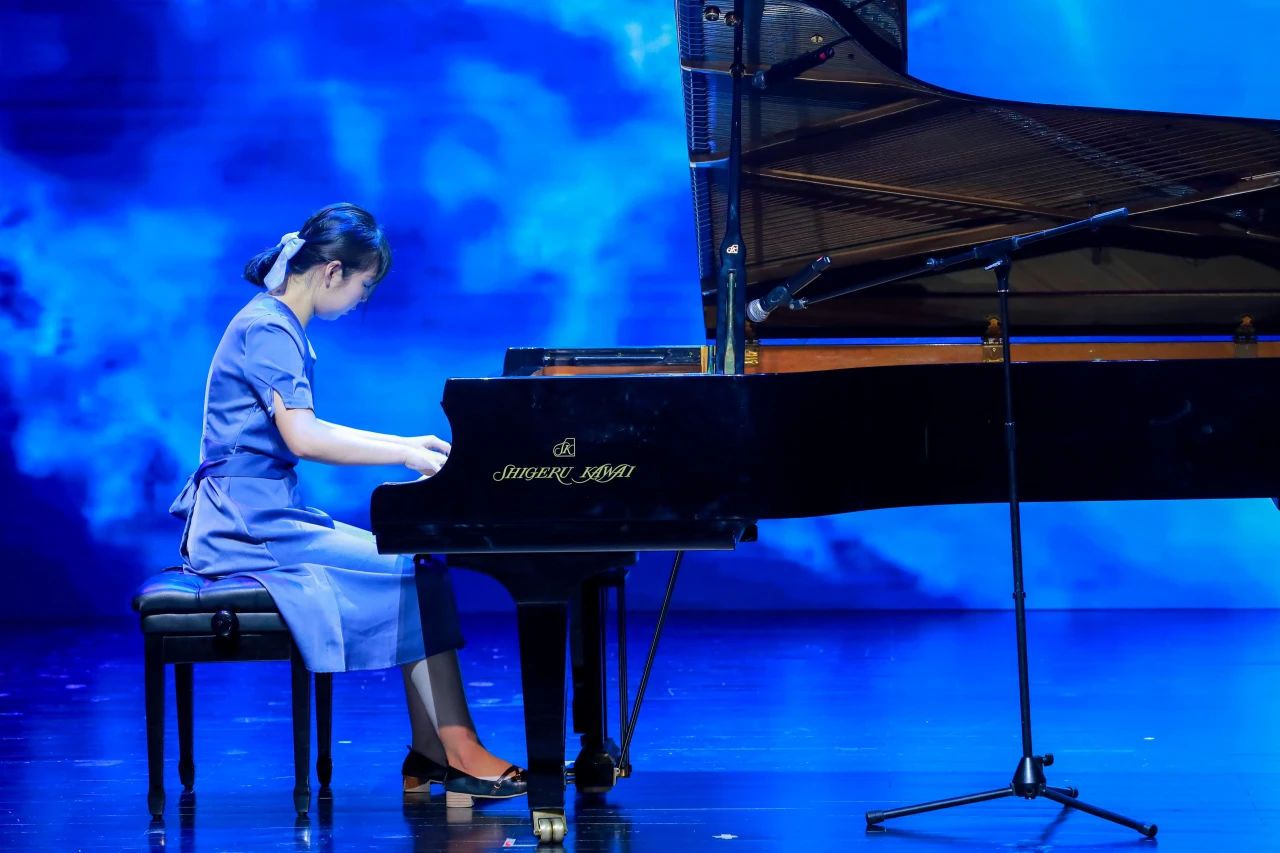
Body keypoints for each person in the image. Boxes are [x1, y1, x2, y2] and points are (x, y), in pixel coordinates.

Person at [169, 202, 525, 806]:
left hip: (264, 515)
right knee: (414, 567)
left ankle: (432, 752)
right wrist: (403, 453)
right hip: (243, 527)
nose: (362, 299)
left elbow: (303, 429)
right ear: (332, 271)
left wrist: (405, 445)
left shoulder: (274, 323)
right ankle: (457, 750)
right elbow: (304, 438)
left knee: (419, 563)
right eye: (364, 285)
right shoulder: (269, 329)